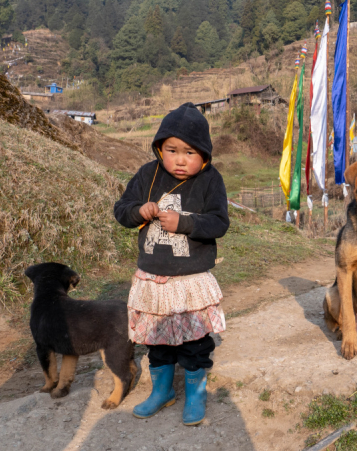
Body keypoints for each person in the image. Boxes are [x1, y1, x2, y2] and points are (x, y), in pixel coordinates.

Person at [114, 102, 229, 426]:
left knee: (195, 342)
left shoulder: (210, 181)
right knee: (156, 340)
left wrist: (186, 223)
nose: (180, 159)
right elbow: (122, 210)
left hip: (190, 279)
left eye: (190, 152)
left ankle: (195, 394)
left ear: (204, 155)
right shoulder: (147, 175)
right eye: (172, 150)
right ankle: (162, 391)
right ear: (159, 148)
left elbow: (219, 223)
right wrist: (139, 211)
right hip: (153, 277)